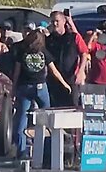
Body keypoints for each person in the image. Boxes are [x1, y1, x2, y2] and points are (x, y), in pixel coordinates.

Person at [10, 29, 67, 160]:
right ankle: (47, 150)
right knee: (48, 118)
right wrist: (64, 83)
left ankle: (21, 151)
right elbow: (54, 71)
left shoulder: (22, 52)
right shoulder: (44, 52)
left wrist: (14, 88)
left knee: (22, 119)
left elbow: (17, 72)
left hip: (25, 87)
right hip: (41, 87)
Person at [45, 11, 87, 107]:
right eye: (52, 21)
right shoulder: (48, 40)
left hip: (71, 78)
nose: (55, 24)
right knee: (55, 107)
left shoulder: (74, 37)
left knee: (73, 106)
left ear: (64, 21)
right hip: (54, 79)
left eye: (57, 21)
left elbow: (84, 53)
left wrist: (81, 71)